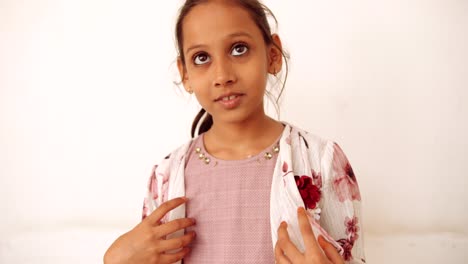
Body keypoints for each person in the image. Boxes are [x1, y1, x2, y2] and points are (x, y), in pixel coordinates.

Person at [104, 0, 365, 263]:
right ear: (185, 74)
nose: (223, 75)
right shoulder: (166, 176)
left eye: (239, 49)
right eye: (201, 57)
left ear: (272, 55)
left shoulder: (321, 160)